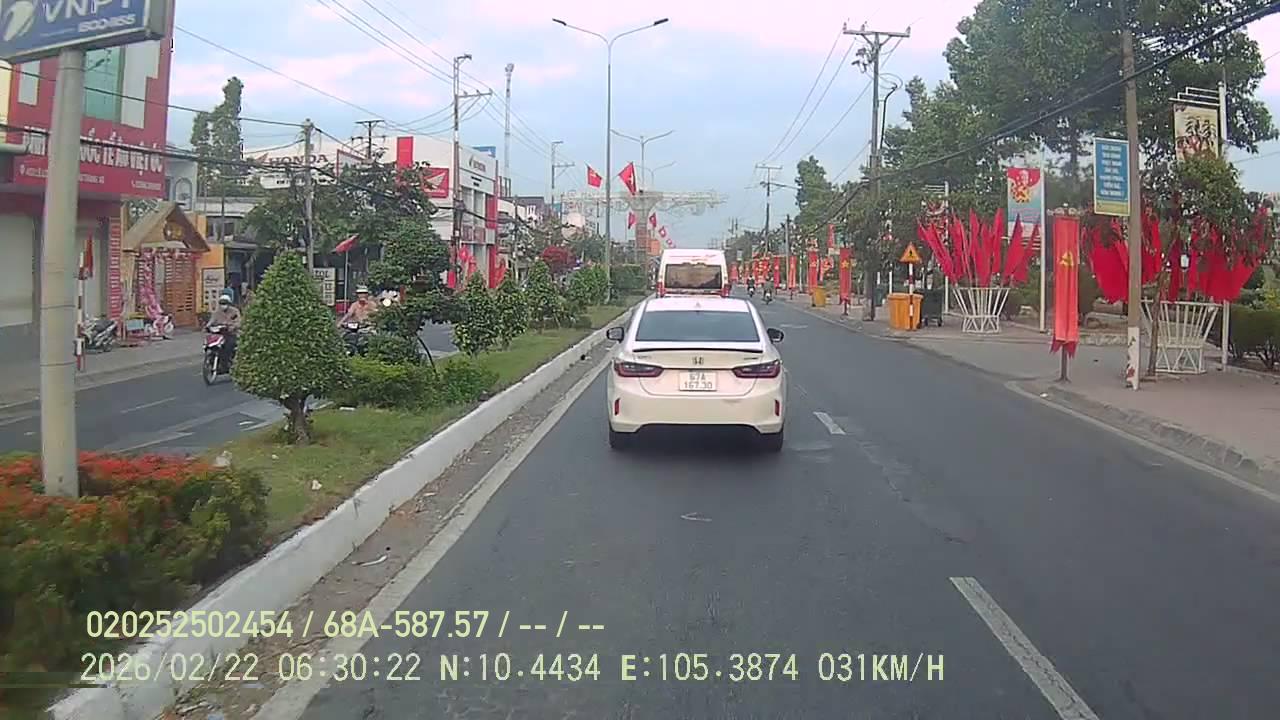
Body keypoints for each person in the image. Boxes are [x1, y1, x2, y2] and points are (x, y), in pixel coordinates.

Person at [206, 293, 243, 358]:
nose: (223, 305)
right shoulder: (217, 312)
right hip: (219, 334)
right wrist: (208, 326)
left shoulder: (234, 311)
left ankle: (226, 361)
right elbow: (212, 320)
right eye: (221, 303)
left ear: (229, 303)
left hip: (231, 334)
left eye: (224, 303)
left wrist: (232, 327)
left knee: (228, 346)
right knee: (210, 343)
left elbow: (238, 322)